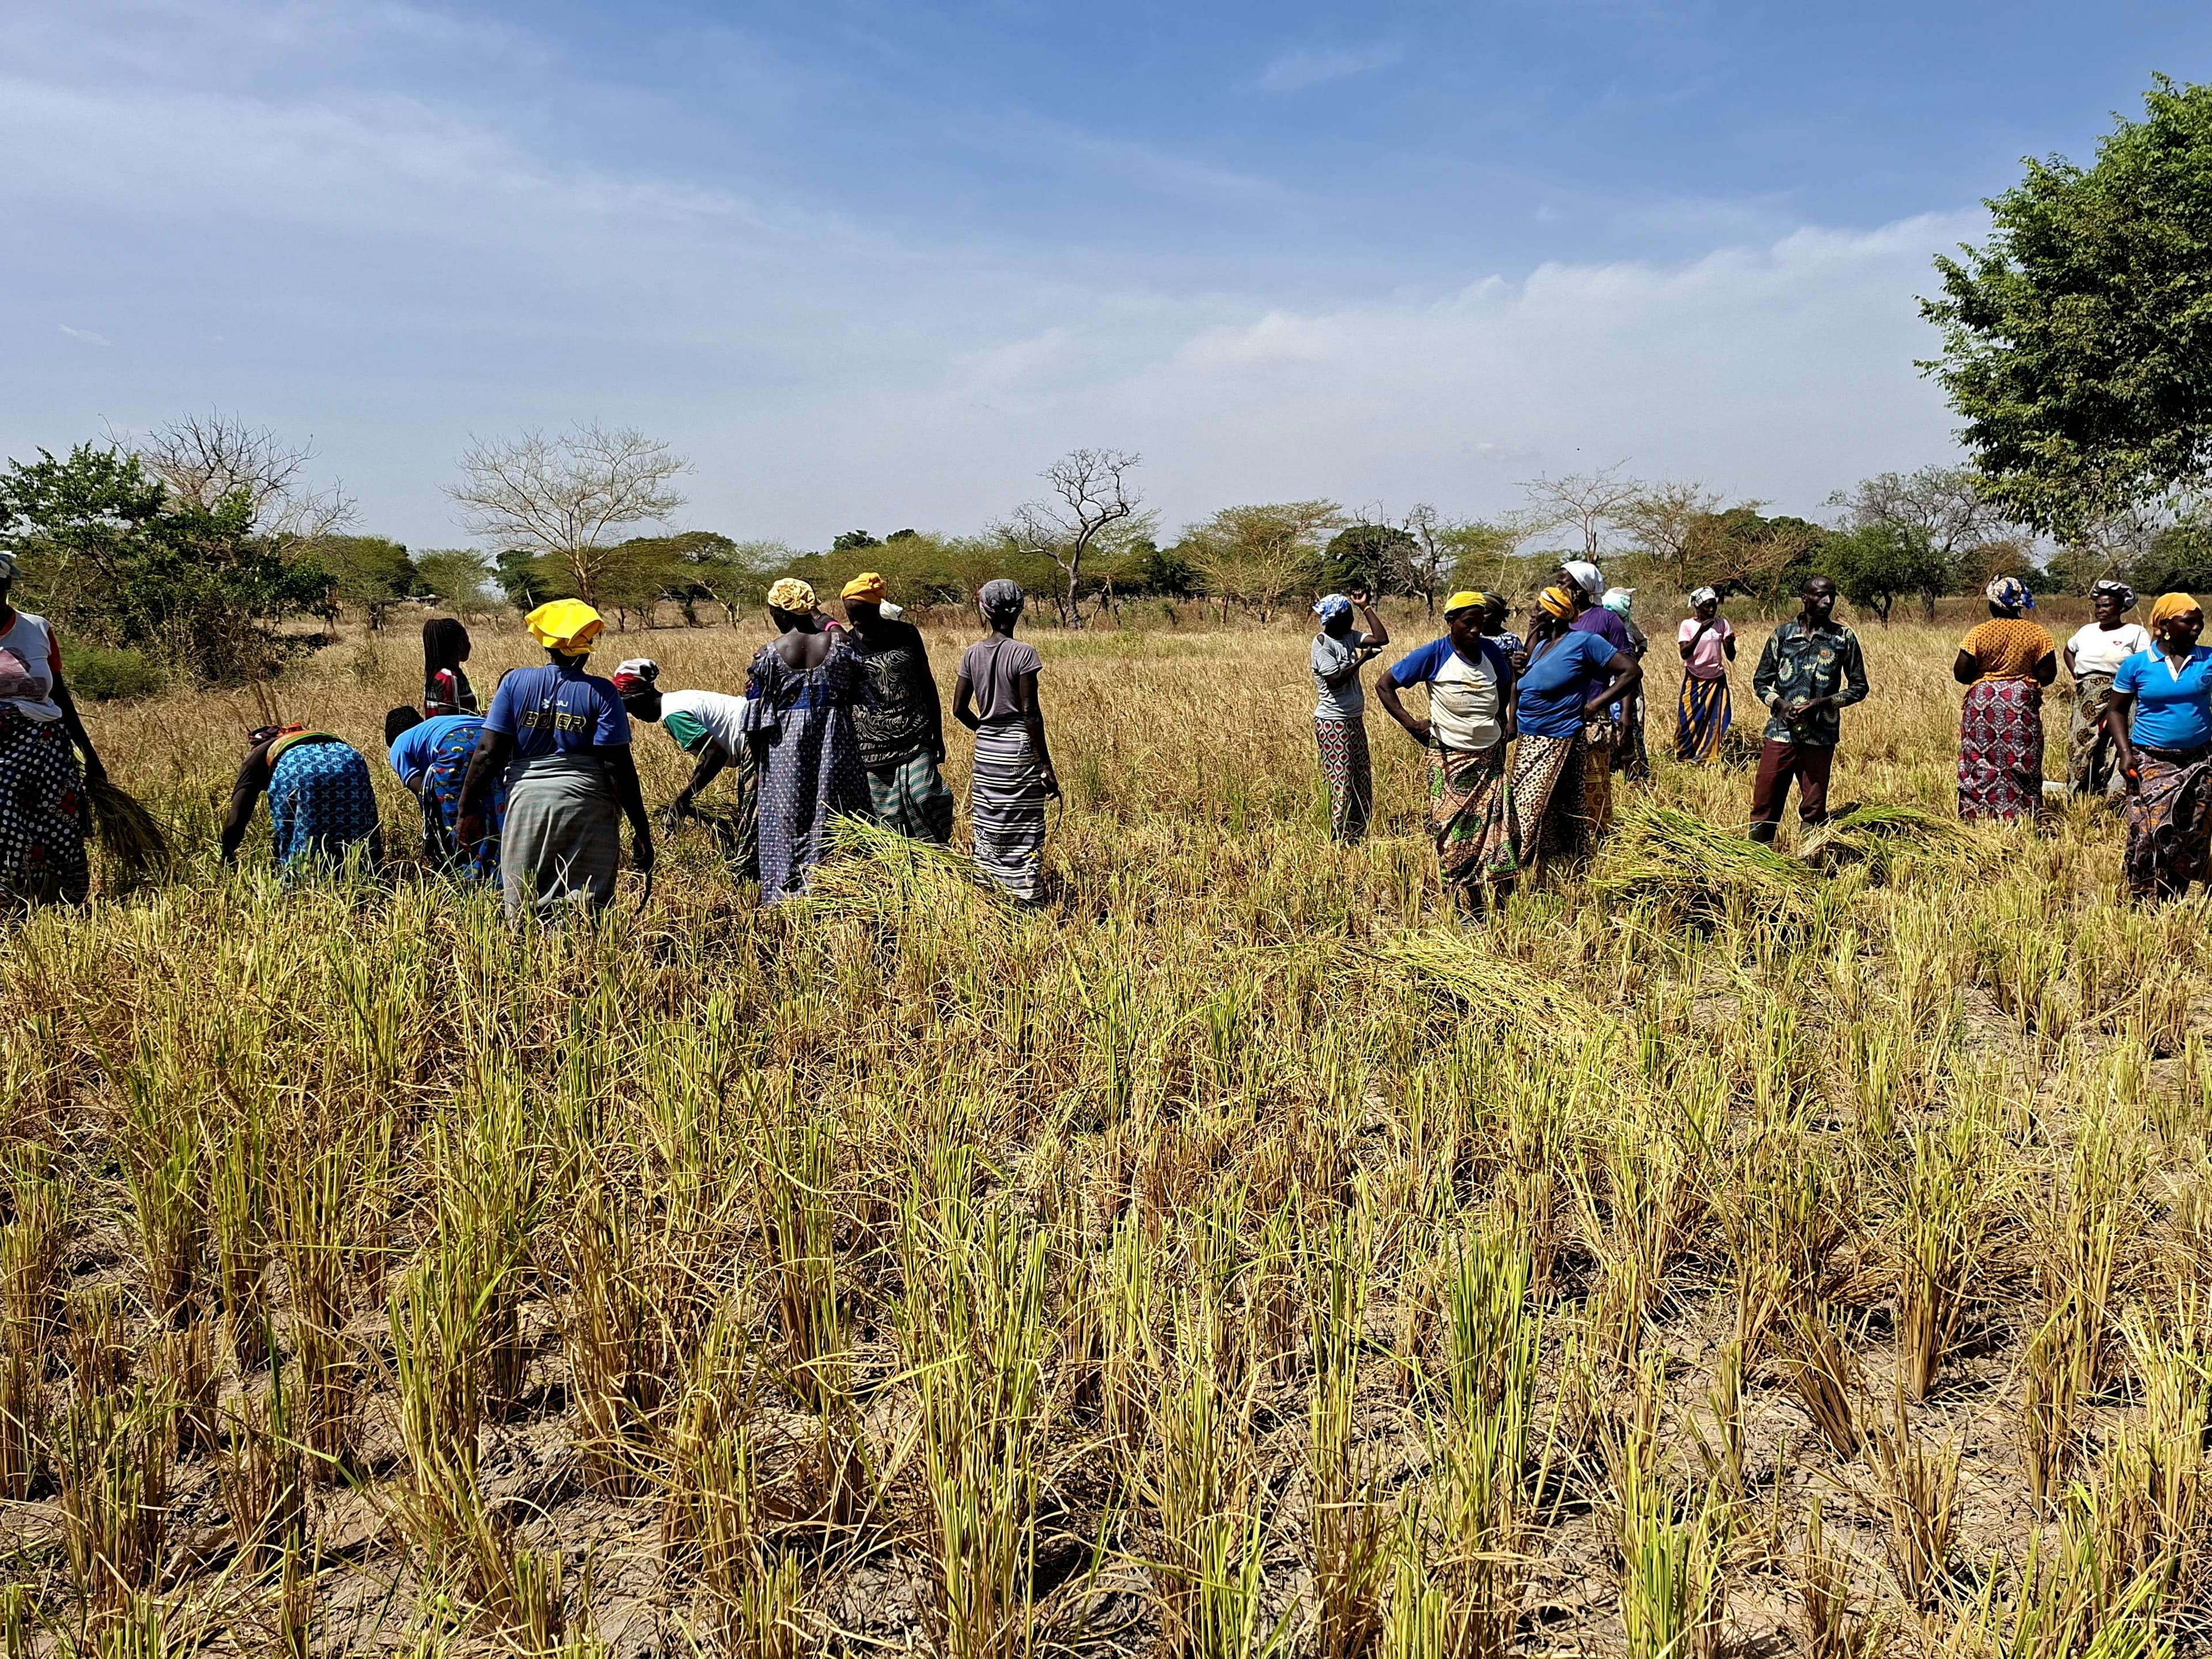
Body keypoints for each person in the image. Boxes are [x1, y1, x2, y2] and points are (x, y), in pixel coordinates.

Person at [457, 599, 652, 921]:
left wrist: (466, 809)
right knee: (586, 902)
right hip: (588, 804)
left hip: (527, 803)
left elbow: (488, 753)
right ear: (587, 644)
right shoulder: (603, 692)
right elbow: (617, 766)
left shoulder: (515, 683)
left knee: (524, 897)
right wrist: (641, 831)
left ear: (546, 643)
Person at [1374, 590, 1518, 908]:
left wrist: (1504, 718)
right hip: (1450, 758)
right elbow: (1385, 685)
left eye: (1481, 623)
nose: (1476, 630)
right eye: (1468, 623)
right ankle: (1463, 901)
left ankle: (1499, 903)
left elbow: (1507, 684)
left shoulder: (1491, 652)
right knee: (1453, 834)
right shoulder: (1434, 654)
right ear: (1451, 622)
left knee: (1496, 833)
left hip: (1490, 757)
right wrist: (1412, 725)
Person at [741, 578, 869, 904]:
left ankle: (785, 895)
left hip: (785, 751)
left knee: (786, 819)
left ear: (780, 612)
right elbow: (861, 693)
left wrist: (757, 769)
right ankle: (836, 888)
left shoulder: (768, 656)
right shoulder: (841, 647)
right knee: (837, 816)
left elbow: (755, 723)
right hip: (836, 745)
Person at [1506, 586, 1643, 877]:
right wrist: (1518, 671)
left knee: (1529, 807)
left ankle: (1530, 870)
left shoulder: (1585, 642)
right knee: (1554, 806)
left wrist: (1594, 706)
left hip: (1559, 735)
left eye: (1540, 608)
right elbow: (1525, 686)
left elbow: (1630, 671)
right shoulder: (1541, 647)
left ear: (1555, 614)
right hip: (1530, 737)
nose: (1534, 613)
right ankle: (1555, 868)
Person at [0, 553, 106, 907]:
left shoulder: (37, 628)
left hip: (48, 748)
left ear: (6, 587)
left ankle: (70, 904)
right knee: (9, 831)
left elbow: (60, 696)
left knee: (62, 828)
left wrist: (90, 757)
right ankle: (19, 908)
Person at [953, 579, 1058, 904]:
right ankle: (1026, 895)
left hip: (987, 750)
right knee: (1023, 824)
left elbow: (958, 709)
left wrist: (986, 731)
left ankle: (991, 891)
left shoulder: (971, 654)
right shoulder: (1024, 654)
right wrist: (1046, 765)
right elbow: (1031, 714)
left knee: (989, 821)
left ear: (985, 611)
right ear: (1020, 611)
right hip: (1018, 748)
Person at [612, 658, 759, 880]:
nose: (633, 715)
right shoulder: (678, 699)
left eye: (630, 706)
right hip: (757, 733)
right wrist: (686, 796)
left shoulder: (673, 715)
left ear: (641, 696)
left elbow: (716, 755)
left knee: (752, 824)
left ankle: (748, 877)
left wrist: (682, 800)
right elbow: (706, 759)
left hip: (756, 741)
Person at [2107, 593, 2212, 903]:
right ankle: (2143, 895)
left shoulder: (2208, 659)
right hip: (2150, 758)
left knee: (2192, 829)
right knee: (2147, 830)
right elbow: (2116, 710)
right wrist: (2125, 753)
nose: (2198, 628)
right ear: (2166, 625)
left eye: (2200, 621)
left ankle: (2176, 894)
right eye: (2189, 621)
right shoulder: (2138, 665)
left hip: (2199, 760)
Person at [1748, 575, 1869, 844]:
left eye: (1832, 596)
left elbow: (1860, 687)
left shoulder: (1843, 638)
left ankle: (1808, 864)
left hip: (1820, 735)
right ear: (1804, 598)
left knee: (1814, 808)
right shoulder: (1782, 636)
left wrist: (1823, 703)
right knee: (1765, 802)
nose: (1827, 601)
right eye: (1820, 595)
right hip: (1781, 734)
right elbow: (1760, 682)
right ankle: (1756, 862)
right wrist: (1779, 704)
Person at [841, 573, 955, 844]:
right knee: (886, 819)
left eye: (862, 614)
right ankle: (903, 868)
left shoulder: (906, 634)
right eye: (850, 616)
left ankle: (938, 857)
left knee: (928, 795)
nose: (856, 622)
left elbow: (927, 683)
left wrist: (938, 734)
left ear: (877, 607)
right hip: (869, 749)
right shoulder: (845, 645)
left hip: (915, 738)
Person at [1952, 575, 2058, 823]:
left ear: (1993, 605)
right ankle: (2024, 815)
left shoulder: (1979, 633)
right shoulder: (2038, 634)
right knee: (2022, 758)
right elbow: (2048, 675)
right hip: (2020, 704)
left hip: (1982, 704)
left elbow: (1961, 674)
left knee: (1979, 758)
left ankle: (1978, 815)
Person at [219, 725, 382, 878]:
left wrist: (227, 853)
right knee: (356, 823)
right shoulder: (311, 736)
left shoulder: (255, 757)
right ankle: (363, 875)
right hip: (349, 760)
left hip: (297, 765)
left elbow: (237, 817)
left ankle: (299, 883)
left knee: (293, 831)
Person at [1309, 589, 1390, 843]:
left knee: (1361, 778)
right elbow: (1335, 681)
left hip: (1353, 719)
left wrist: (1365, 607)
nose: (1352, 620)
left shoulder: (1348, 636)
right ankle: (1338, 837)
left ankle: (1357, 833)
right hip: (1333, 722)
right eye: (1349, 615)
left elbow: (1381, 638)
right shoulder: (1322, 643)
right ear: (1337, 619)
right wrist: (1363, 660)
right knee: (1341, 780)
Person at [387, 705, 502, 880]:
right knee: (496, 810)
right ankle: (502, 870)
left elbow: (422, 790)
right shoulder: (435, 725)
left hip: (455, 744)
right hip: (494, 737)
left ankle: (469, 876)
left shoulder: (398, 744)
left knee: (458, 823)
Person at [2064, 580, 2151, 797]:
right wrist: (2077, 673)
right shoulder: (2086, 631)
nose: (2100, 611)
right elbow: (2068, 650)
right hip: (2088, 697)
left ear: (2121, 608)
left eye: (2106, 606)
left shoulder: (2135, 632)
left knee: (2120, 741)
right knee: (2082, 742)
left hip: (2123, 694)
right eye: (2098, 606)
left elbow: (2143, 662)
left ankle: (2116, 793)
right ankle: (2080, 790)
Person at [1675, 587, 1737, 763]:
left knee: (1716, 720)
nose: (1711, 610)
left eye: (1713, 606)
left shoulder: (1722, 624)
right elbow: (1685, 654)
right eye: (1707, 606)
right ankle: (1685, 755)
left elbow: (1731, 656)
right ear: (1698, 608)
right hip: (1694, 679)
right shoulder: (1688, 625)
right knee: (1688, 720)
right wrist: (1701, 631)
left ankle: (1709, 757)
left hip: (1716, 680)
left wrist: (1730, 643)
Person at [1601, 588, 1650, 780]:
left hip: (1627, 690)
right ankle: (1617, 773)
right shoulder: (1606, 629)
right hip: (1610, 690)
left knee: (1630, 729)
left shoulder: (1628, 629)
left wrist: (1636, 656)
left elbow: (1642, 642)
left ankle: (1635, 777)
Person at [423, 618, 478, 716]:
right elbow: (450, 720)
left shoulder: (440, 674)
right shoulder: (449, 677)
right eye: (466, 640)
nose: (469, 645)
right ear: (458, 645)